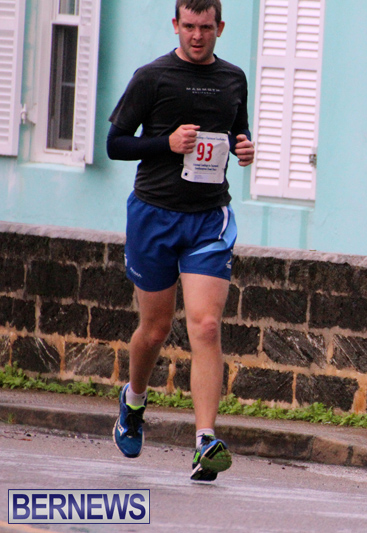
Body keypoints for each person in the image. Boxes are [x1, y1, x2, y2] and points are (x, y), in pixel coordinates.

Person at [106, 0, 254, 482]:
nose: (196, 35)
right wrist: (165, 144)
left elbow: (236, 132)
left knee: (206, 326)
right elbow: (115, 143)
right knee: (155, 329)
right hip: (154, 214)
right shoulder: (152, 77)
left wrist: (245, 146)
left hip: (208, 218)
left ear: (219, 27)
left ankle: (205, 440)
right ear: (175, 25)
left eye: (205, 27)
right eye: (188, 26)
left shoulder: (233, 79)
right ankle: (133, 401)